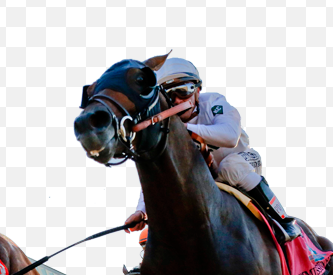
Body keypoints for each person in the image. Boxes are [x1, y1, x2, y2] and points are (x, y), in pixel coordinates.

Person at [124, 57, 300, 243]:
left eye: (183, 91)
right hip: (205, 179)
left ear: (198, 91)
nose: (176, 100)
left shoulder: (214, 102)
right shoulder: (165, 129)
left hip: (242, 162)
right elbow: (157, 175)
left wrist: (184, 131)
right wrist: (141, 211)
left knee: (230, 166)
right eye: (169, 95)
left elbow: (230, 136)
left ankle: (281, 220)